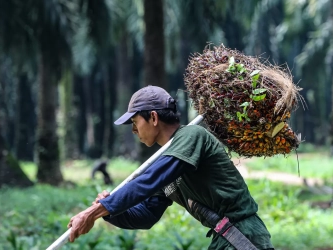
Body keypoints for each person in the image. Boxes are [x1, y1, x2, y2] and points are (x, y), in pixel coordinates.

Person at [67, 86, 274, 250]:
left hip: (244, 235)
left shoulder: (192, 136)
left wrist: (93, 211)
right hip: (224, 238)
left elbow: (149, 181)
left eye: (134, 122)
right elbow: (147, 214)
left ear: (154, 118)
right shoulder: (165, 162)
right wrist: (109, 212)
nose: (133, 130)